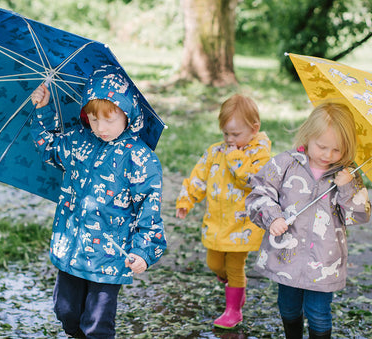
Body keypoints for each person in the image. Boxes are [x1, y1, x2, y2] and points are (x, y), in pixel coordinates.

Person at [30, 64, 167, 338]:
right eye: (93, 119)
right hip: (72, 246)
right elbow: (49, 148)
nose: (101, 128)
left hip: (111, 255)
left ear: (127, 113)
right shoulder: (79, 141)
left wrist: (144, 251)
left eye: (109, 119)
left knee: (97, 323)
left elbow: (149, 209)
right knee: (66, 311)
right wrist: (42, 109)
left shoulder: (140, 158)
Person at [245, 103, 371, 339]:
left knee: (319, 312)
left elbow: (360, 214)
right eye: (322, 147)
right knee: (289, 307)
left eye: (337, 150)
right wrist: (273, 217)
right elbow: (259, 193)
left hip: (324, 260)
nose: (328, 155)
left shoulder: (346, 174)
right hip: (287, 256)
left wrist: (347, 189)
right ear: (308, 136)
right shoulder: (285, 163)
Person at [175, 94, 271, 328]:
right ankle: (234, 288)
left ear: (254, 128)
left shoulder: (259, 154)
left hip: (242, 225)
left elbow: (252, 181)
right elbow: (199, 176)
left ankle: (233, 310)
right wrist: (186, 200)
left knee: (235, 266)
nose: (229, 139)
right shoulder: (215, 151)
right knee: (214, 264)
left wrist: (236, 158)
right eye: (225, 133)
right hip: (217, 223)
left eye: (235, 134)